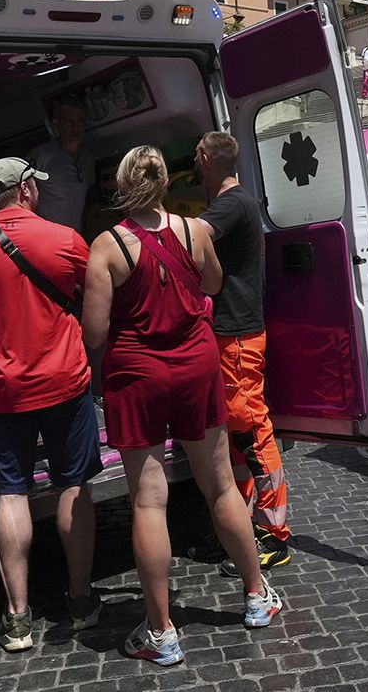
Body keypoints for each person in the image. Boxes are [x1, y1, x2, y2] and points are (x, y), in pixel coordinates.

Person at [81, 146, 280, 667]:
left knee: (148, 502)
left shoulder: (105, 247)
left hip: (138, 374)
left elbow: (95, 332)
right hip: (195, 365)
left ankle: (162, 631)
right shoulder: (195, 230)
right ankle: (257, 596)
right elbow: (212, 283)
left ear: (121, 186)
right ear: (167, 182)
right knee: (218, 485)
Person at [0, 157, 103, 653]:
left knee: (12, 495)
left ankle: (17, 618)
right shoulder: (67, 240)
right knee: (73, 485)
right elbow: (96, 297)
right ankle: (80, 600)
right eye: (34, 186)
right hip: (67, 383)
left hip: (5, 392)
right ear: (23, 191)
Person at [193, 133, 290, 575]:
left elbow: (193, 235)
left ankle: (273, 536)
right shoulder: (238, 203)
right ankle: (241, 529)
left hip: (236, 336)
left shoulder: (232, 204)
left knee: (252, 434)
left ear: (206, 159)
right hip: (230, 332)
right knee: (234, 439)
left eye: (196, 156)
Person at [27, 96, 92, 231]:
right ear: (57, 124)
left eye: (80, 121)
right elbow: (23, 199)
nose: (75, 127)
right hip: (47, 238)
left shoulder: (87, 158)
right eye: (69, 121)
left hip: (76, 238)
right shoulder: (40, 156)